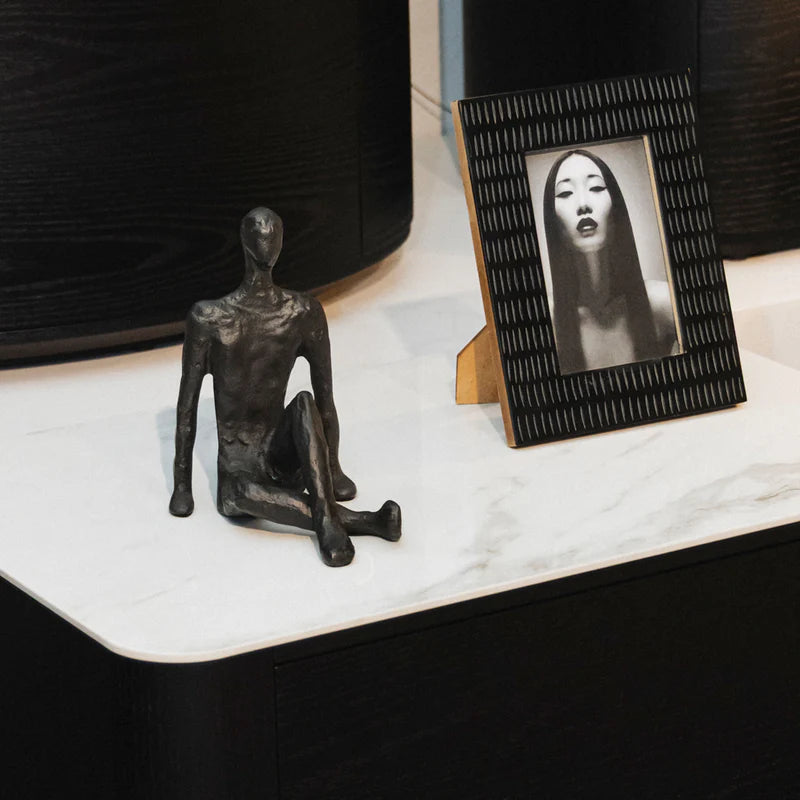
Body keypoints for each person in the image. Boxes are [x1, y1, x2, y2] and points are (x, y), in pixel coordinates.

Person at [169, 207, 401, 567]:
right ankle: (365, 521)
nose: (269, 240)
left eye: (275, 232)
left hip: (282, 457)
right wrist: (182, 486)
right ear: (246, 241)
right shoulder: (210, 319)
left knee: (304, 400)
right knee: (241, 492)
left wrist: (335, 468)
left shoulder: (302, 313)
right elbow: (187, 408)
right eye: (261, 232)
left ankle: (326, 519)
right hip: (239, 471)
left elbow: (324, 398)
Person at [543, 149, 678, 374]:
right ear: (551, 218)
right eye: (565, 193)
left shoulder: (662, 303)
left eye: (596, 188)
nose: (583, 204)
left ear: (616, 206)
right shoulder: (548, 321)